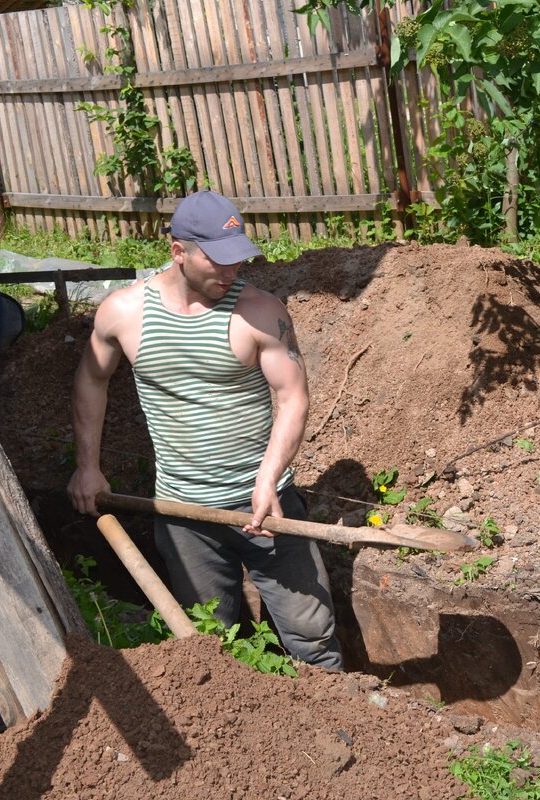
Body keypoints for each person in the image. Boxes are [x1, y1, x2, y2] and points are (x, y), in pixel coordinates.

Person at [67, 190, 343, 671]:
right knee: (209, 646)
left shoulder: (259, 313)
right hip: (182, 511)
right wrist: (87, 467)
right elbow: (92, 379)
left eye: (239, 261)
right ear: (179, 251)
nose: (232, 272)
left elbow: (292, 397)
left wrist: (267, 475)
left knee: (313, 638)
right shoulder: (123, 314)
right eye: (219, 261)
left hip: (265, 505)